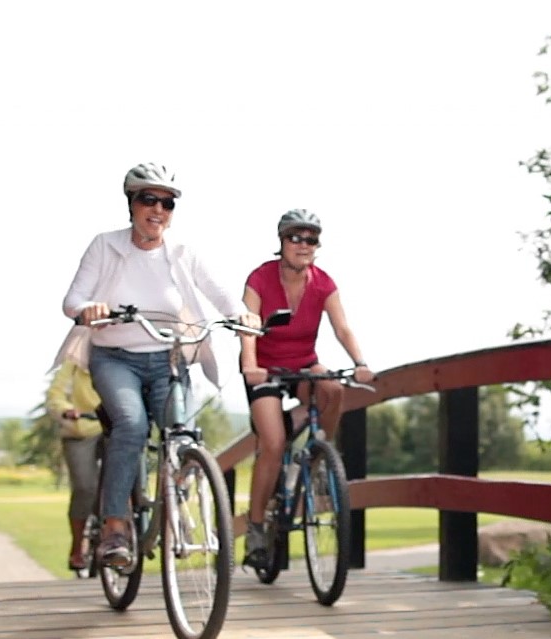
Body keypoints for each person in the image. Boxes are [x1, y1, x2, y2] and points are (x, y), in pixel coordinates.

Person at [56, 162, 259, 569]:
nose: (158, 209)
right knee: (130, 424)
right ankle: (116, 527)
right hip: (116, 358)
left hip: (168, 356)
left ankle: (177, 506)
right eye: (148, 199)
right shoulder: (105, 246)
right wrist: (88, 309)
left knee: (182, 432)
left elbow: (219, 292)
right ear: (131, 204)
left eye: (166, 203)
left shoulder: (182, 254)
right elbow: (72, 300)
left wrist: (242, 315)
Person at [237, 208, 374, 568]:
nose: (303, 244)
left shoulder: (324, 282)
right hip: (264, 369)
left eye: (311, 239)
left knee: (333, 388)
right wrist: (250, 366)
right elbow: (248, 326)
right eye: (295, 237)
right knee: (273, 443)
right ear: (281, 242)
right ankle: (255, 529)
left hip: (302, 364)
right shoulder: (260, 278)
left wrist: (360, 362)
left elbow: (342, 328)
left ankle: (317, 460)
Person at [44, 358, 105, 575]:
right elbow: (55, 396)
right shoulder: (74, 363)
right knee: (84, 487)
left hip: (115, 427)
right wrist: (66, 410)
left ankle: (125, 532)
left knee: (128, 478)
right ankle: (79, 545)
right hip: (80, 430)